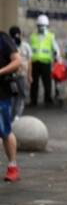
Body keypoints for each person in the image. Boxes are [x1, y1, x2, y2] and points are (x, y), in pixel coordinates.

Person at [0, 29, 22, 182]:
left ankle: (12, 166)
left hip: (1, 93)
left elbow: (17, 61)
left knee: (4, 130)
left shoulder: (3, 39)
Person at [29, 14, 60, 106]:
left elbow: (56, 49)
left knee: (47, 82)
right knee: (34, 83)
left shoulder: (50, 36)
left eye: (43, 26)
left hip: (46, 63)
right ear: (37, 26)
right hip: (35, 62)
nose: (41, 27)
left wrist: (57, 59)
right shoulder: (33, 36)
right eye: (39, 26)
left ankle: (48, 99)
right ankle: (33, 100)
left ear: (47, 26)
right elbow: (30, 49)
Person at [8, 26, 31, 119]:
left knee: (21, 95)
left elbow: (29, 61)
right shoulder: (8, 45)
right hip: (11, 75)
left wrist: (29, 75)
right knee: (13, 95)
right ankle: (13, 115)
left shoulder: (25, 46)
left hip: (21, 74)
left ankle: (17, 115)